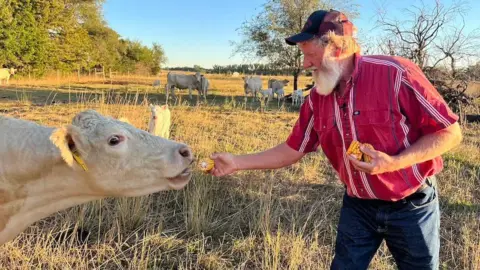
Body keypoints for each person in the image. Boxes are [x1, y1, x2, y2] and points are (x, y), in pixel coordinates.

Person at [208, 9, 463, 270]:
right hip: (358, 205)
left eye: (310, 54)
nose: (305, 64)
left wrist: (394, 162)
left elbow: (450, 133)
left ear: (337, 48)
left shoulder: (395, 73)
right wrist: (236, 162)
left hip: (411, 205)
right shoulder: (318, 97)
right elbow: (292, 149)